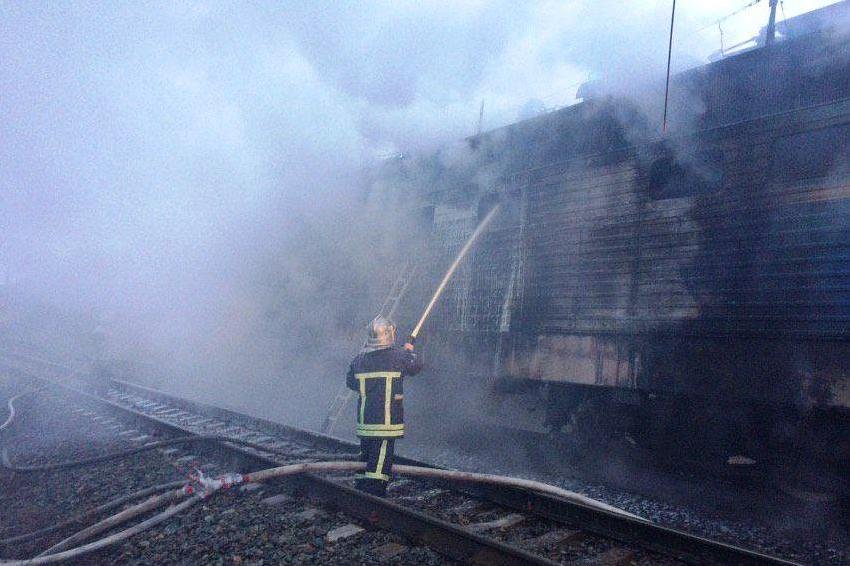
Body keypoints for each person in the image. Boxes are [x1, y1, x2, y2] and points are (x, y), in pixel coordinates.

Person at [346, 315, 423, 496]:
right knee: (380, 463)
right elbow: (416, 366)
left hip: (366, 421)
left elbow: (351, 382)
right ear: (390, 335)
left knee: (366, 458)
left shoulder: (359, 360)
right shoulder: (398, 357)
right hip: (386, 423)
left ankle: (361, 490)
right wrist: (409, 352)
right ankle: (374, 496)